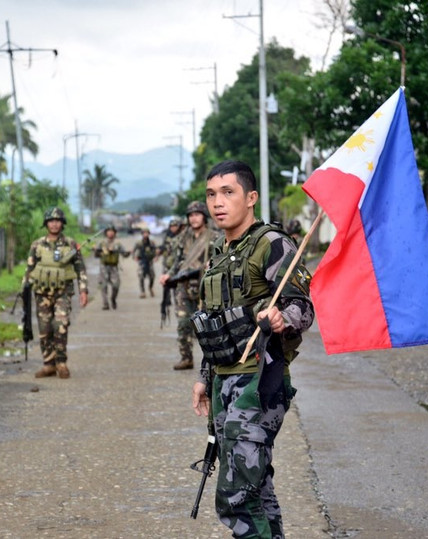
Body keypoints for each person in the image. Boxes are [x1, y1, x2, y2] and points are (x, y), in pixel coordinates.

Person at [191, 160, 314, 538]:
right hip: (224, 380)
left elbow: (303, 306)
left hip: (260, 382)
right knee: (256, 488)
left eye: (228, 193)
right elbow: (216, 321)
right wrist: (204, 377)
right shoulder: (219, 251)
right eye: (212, 194)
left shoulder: (271, 245)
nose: (217, 202)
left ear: (251, 198)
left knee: (236, 494)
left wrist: (282, 317)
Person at [23, 207, 89, 379]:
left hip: (63, 293)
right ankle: (48, 364)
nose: (54, 224)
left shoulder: (71, 244)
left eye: (57, 221)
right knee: (45, 329)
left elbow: (80, 268)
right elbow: (29, 268)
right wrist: (24, 289)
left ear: (62, 223)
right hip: (42, 294)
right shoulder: (37, 245)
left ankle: (61, 362)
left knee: (60, 325)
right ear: (46, 223)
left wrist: (83, 290)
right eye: (51, 221)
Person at [159, 202, 218, 371]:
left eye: (197, 214)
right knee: (183, 322)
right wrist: (168, 274)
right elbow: (178, 262)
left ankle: (214, 361)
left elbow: (221, 258)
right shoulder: (183, 238)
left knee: (208, 326)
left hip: (205, 287)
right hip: (184, 286)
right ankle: (186, 357)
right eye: (191, 215)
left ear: (204, 217)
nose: (194, 218)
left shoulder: (214, 237)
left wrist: (211, 264)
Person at [94, 225, 130, 310]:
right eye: (108, 231)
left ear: (114, 233)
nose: (110, 233)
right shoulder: (101, 243)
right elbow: (96, 255)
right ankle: (105, 303)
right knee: (103, 285)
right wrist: (98, 251)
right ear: (106, 233)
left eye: (112, 231)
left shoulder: (118, 244)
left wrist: (128, 253)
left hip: (114, 267)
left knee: (116, 285)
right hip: (104, 266)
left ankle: (113, 299)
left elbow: (124, 254)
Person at [132, 229, 158, 298]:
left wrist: (156, 257)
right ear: (142, 234)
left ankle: (150, 287)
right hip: (142, 261)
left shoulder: (152, 242)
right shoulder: (139, 243)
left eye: (147, 233)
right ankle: (142, 292)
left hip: (149, 262)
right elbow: (134, 250)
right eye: (144, 233)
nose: (145, 234)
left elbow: (156, 251)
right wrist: (134, 257)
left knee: (152, 276)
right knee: (141, 276)